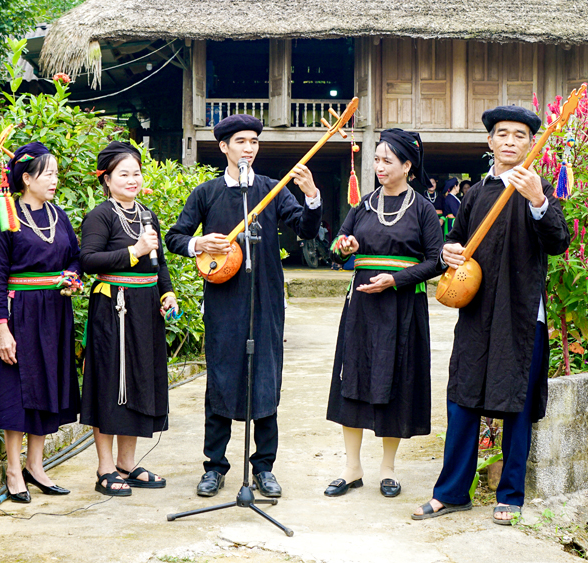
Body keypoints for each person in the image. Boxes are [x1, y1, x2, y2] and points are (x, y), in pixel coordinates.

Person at [414, 105, 570, 525]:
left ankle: (511, 495)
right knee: (463, 398)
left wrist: (537, 198)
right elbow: (457, 243)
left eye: (520, 135)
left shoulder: (537, 191)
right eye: (502, 134)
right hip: (477, 315)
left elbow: (558, 242)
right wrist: (449, 251)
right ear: (490, 142)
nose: (510, 141)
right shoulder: (476, 195)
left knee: (515, 405)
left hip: (521, 317)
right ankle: (452, 492)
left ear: (531, 144)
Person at [166, 114, 323, 499]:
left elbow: (304, 228)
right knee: (222, 377)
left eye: (254, 141)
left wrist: (312, 196)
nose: (248, 148)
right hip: (223, 300)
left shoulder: (272, 189)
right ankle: (215, 466)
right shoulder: (207, 192)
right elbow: (175, 236)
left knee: (266, 378)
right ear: (223, 147)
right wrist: (199, 245)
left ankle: (264, 467)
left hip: (266, 298)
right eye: (240, 141)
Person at [325, 129, 444, 499]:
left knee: (397, 382)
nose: (379, 166)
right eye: (376, 159)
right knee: (353, 378)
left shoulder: (423, 208)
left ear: (408, 166)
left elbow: (436, 261)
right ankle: (351, 467)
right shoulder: (362, 204)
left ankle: (388, 468)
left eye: (387, 160)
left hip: (402, 307)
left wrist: (395, 280)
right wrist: (344, 246)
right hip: (361, 305)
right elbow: (336, 250)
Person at [79, 141, 179, 497]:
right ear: (106, 179)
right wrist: (131, 252)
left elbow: (159, 262)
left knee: (138, 381)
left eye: (136, 172)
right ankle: (105, 468)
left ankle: (127, 463)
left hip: (146, 308)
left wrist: (167, 292)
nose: (132, 179)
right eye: (124, 174)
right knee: (110, 384)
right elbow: (87, 260)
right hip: (114, 310)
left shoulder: (147, 214)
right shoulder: (100, 215)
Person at [0, 143, 82, 503]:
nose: (55, 180)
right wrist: (2, 329)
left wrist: (71, 276)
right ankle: (14, 470)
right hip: (19, 313)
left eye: (57, 173)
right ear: (26, 179)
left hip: (55, 312)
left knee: (47, 388)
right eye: (48, 173)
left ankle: (36, 466)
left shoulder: (59, 215)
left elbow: (75, 257)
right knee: (18, 392)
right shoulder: (6, 217)